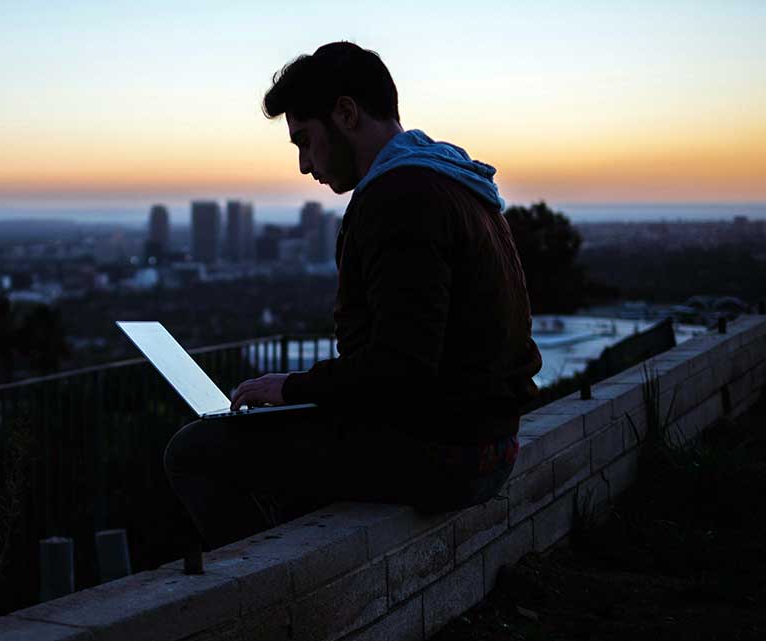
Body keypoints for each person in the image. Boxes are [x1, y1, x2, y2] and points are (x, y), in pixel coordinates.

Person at [164, 41, 543, 550]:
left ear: (345, 114)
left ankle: (274, 596)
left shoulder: (400, 197)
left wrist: (292, 389)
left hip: (450, 455)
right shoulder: (455, 183)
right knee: (283, 449)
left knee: (194, 452)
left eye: (305, 141)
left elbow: (401, 368)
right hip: (486, 442)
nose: (304, 165)